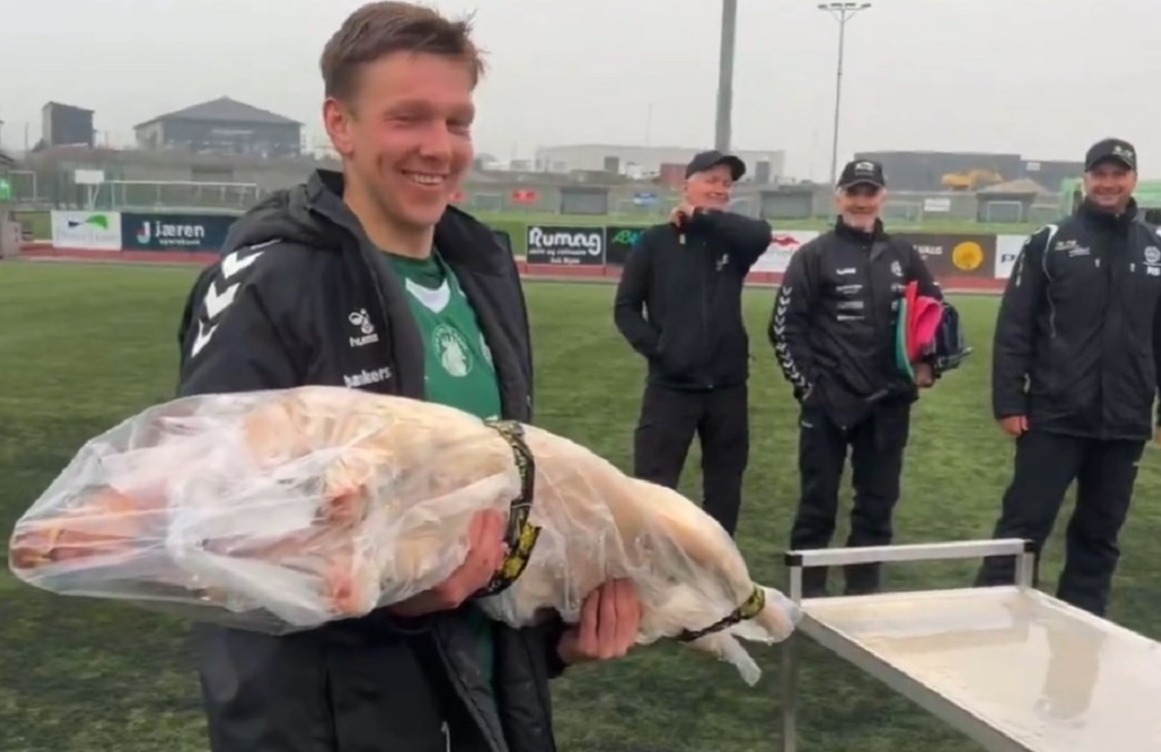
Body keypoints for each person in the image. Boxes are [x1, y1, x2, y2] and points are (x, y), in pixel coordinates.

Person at [175, 4, 641, 751]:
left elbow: (492, 513)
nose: (438, 147)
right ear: (341, 124)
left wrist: (554, 637)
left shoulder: (481, 275)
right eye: (408, 119)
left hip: (481, 710)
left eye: (457, 122)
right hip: (329, 725)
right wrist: (394, 595)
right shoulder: (268, 282)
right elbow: (209, 538)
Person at [975, 137, 1161, 617]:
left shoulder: (1155, 248)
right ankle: (992, 622)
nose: (1108, 183)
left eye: (1118, 174)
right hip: (1054, 415)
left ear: (1133, 180)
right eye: (1100, 174)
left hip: (1124, 421)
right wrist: (1009, 401)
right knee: (1023, 528)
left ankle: (1083, 626)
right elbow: (1015, 326)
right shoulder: (1051, 241)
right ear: (1086, 179)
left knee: (1099, 535)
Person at [768, 159, 943, 597]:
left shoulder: (904, 255)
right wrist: (809, 388)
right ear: (839, 198)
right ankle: (806, 598)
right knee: (817, 506)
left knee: (876, 508)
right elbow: (784, 327)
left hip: (889, 403)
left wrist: (929, 363)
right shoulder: (814, 255)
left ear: (883, 197)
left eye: (870, 192)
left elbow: (936, 316)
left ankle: (863, 597)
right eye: (853, 192)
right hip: (829, 404)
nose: (861, 201)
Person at [612, 150, 775, 537]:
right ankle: (652, 563)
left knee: (724, 486)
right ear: (687, 184)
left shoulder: (734, 243)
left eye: (726, 183)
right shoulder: (654, 242)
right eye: (711, 180)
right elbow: (626, 309)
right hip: (671, 387)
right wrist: (662, 351)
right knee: (654, 485)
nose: (720, 189)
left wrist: (700, 217)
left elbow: (761, 234)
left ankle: (718, 562)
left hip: (728, 386)